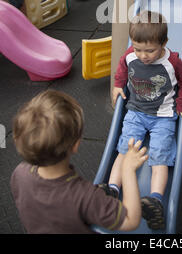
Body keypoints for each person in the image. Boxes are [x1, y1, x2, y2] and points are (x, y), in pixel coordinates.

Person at [102, 10, 182, 230]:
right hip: (135, 112)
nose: (143, 55)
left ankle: (155, 200)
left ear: (164, 43)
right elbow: (122, 68)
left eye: (150, 50)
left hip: (163, 116)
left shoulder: (172, 62)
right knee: (125, 150)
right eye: (138, 48)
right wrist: (117, 84)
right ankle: (112, 188)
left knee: (159, 155)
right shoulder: (130, 55)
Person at [10, 90, 148, 234]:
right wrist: (127, 171)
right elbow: (130, 220)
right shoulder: (84, 196)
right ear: (75, 145)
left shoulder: (20, 174)